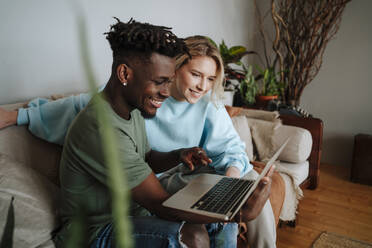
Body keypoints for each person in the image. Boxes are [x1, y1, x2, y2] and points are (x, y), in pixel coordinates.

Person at [0, 24, 276, 248]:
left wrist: (178, 155)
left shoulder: (133, 109)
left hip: (133, 212)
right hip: (94, 230)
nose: (166, 93)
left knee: (212, 224)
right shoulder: (101, 127)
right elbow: (157, 202)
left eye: (167, 82)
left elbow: (147, 158)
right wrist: (238, 214)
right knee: (194, 236)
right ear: (124, 74)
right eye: (160, 82)